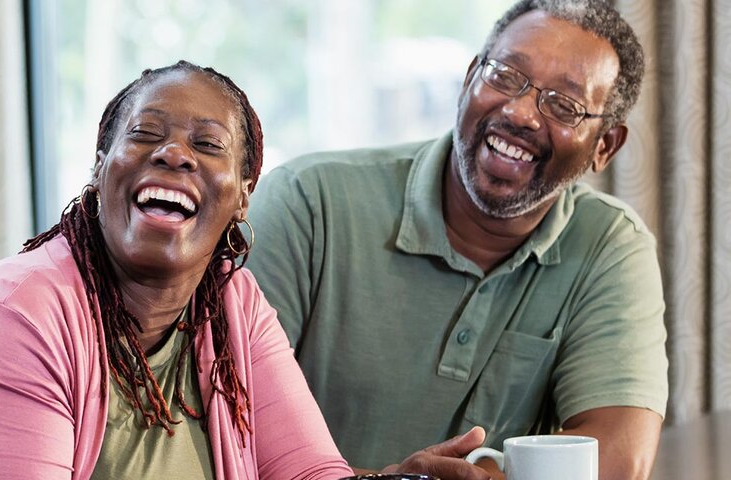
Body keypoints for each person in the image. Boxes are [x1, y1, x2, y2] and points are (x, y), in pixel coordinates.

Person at [246, 1, 665, 478]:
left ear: (604, 147)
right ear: (469, 79)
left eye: (563, 105)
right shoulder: (307, 203)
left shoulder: (609, 243)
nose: (521, 112)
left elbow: (618, 456)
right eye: (505, 75)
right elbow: (225, 427)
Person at [0, 61, 352, 480]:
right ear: (99, 168)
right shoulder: (12, 315)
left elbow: (311, 472)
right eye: (145, 134)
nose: (173, 154)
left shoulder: (232, 303)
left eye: (207, 144)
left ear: (243, 197)